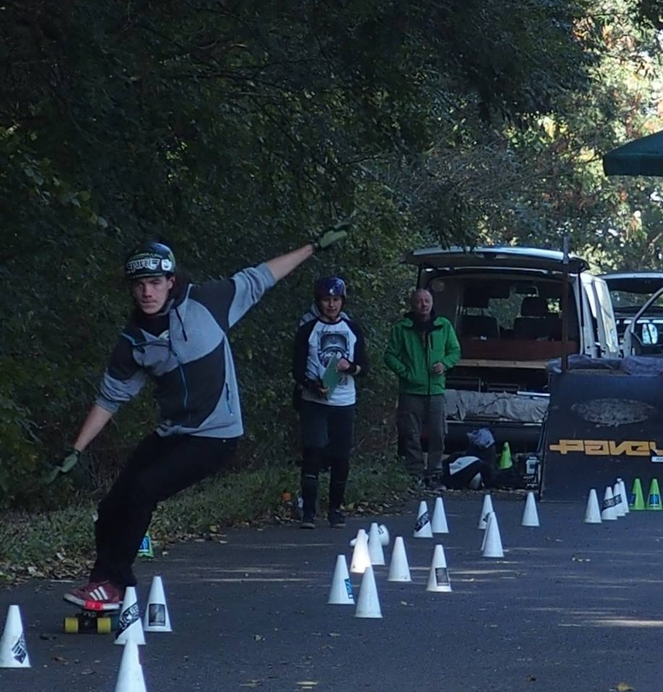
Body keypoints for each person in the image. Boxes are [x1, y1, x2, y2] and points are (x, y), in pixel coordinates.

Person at [45, 225, 349, 610]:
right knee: (112, 504)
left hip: (216, 436)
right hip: (174, 432)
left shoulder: (208, 303)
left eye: (155, 282)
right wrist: (76, 449)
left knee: (143, 491)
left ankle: (114, 583)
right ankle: (103, 584)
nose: (147, 292)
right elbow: (109, 400)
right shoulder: (133, 341)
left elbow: (261, 277)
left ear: (171, 281)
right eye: (139, 284)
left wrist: (313, 247)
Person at [292, 276, 368, 529]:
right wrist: (314, 385)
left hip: (344, 401)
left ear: (342, 301)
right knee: (313, 449)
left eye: (336, 300)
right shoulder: (307, 329)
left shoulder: (353, 329)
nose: (331, 305)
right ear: (319, 302)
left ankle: (336, 509)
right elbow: (296, 368)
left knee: (340, 456)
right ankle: (309, 512)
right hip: (314, 401)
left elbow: (364, 367)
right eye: (327, 300)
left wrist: (351, 367)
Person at [384, 287, 461, 488]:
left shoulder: (443, 326)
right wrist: (406, 373)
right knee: (410, 434)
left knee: (438, 433)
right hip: (411, 391)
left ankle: (435, 473)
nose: (423, 305)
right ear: (412, 304)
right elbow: (389, 355)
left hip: (435, 390)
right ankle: (415, 473)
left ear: (432, 303)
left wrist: (444, 363)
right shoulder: (402, 328)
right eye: (419, 301)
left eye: (427, 301)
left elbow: (455, 351)